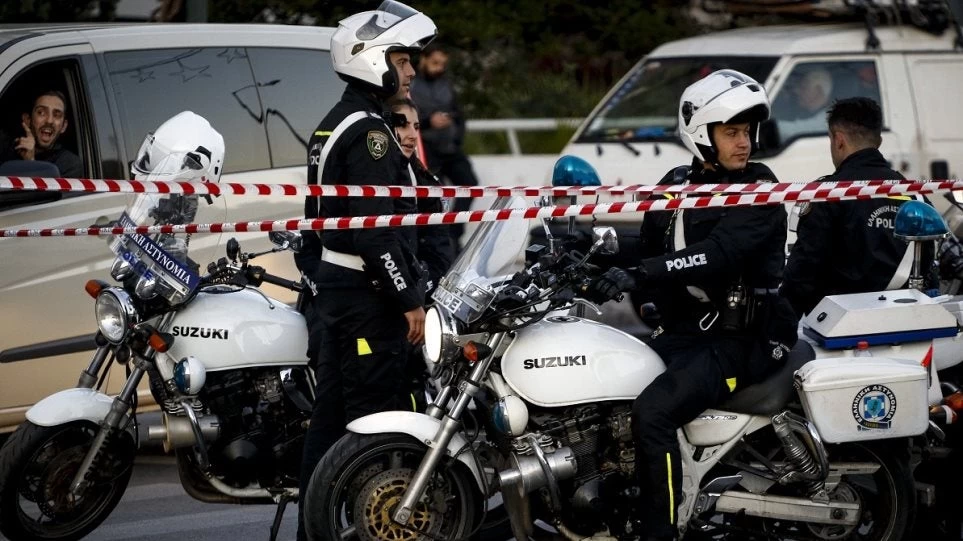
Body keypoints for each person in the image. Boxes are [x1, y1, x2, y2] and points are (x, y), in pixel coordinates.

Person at [585, 69, 798, 541]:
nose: (744, 143)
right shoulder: (677, 182)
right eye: (732, 132)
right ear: (702, 135)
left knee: (654, 413)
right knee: (605, 391)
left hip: (742, 338)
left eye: (746, 132)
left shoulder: (759, 188)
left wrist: (641, 274)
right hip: (689, 331)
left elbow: (717, 254)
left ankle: (660, 532)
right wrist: (586, 248)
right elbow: (650, 244)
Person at [293, 2, 437, 540]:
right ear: (371, 60)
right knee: (373, 427)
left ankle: (312, 532)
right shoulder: (370, 133)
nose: (410, 71)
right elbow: (375, 232)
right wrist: (409, 300)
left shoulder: (338, 122)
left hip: (339, 292)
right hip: (365, 298)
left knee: (329, 423)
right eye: (401, 60)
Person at [782, 96, 928, 317]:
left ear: (838, 140)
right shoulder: (915, 195)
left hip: (838, 326)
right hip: (906, 321)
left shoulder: (828, 194)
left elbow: (803, 270)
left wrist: (781, 322)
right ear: (878, 141)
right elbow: (927, 267)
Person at [409, 42, 479, 249]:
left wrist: (456, 138)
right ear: (423, 59)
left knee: (469, 185)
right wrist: (429, 121)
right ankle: (435, 238)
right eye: (435, 63)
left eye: (442, 64)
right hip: (427, 150)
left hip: (450, 148)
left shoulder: (446, 84)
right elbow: (405, 118)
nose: (439, 68)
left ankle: (453, 233)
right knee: (433, 195)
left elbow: (459, 114)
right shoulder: (411, 85)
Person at [0, 90, 82, 177]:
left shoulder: (70, 164)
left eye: (57, 115)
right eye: (41, 113)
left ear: (63, 126)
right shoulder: (5, 148)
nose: (49, 121)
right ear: (27, 119)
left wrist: (30, 162)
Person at [774, 67, 833, 142]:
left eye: (803, 87)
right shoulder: (803, 110)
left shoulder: (829, 118)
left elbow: (794, 130)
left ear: (817, 92)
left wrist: (765, 125)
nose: (797, 91)